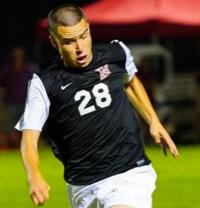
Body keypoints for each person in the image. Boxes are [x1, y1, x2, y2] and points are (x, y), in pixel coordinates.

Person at [15, 4, 179, 208]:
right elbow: (29, 139)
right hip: (82, 186)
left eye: (83, 36)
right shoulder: (45, 82)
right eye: (69, 42)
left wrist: (154, 121)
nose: (79, 47)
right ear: (54, 42)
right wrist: (34, 176)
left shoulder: (115, 53)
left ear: (89, 29)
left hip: (128, 172)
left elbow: (130, 81)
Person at [0, 47, 34, 148]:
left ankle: (26, 148)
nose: (18, 57)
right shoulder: (7, 70)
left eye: (19, 55)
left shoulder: (29, 68)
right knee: (8, 128)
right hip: (10, 103)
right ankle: (6, 149)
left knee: (26, 128)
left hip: (26, 103)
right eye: (16, 55)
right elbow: (1, 86)